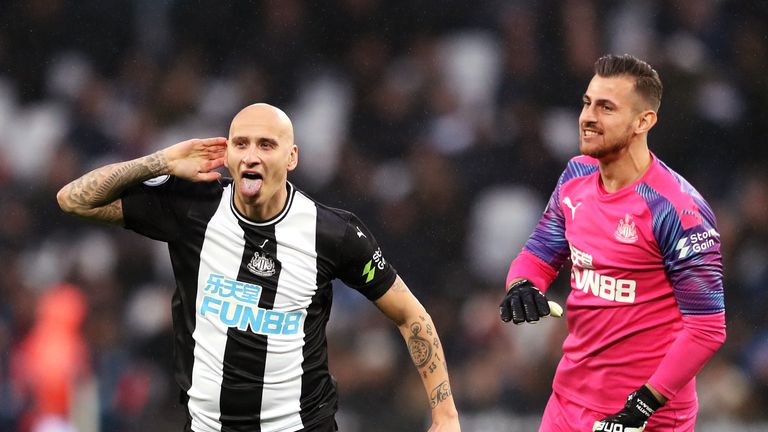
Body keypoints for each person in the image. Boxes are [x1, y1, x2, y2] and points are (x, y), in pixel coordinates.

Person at [57, 103, 461, 432]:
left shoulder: (332, 233)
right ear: (228, 154)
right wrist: (160, 161)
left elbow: (411, 315)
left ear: (292, 157)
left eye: (266, 145)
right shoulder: (191, 208)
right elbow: (73, 199)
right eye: (241, 143)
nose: (251, 155)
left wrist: (445, 415)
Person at [499, 54, 725, 432]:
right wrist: (522, 284)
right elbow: (538, 254)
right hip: (566, 404)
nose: (588, 117)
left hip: (645, 416)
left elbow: (707, 328)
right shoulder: (576, 175)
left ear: (643, 121)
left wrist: (645, 403)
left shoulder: (679, 210)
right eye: (587, 103)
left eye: (606, 107)